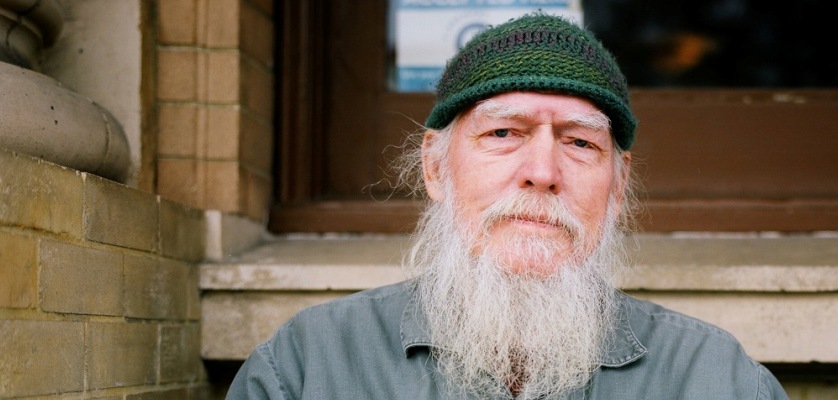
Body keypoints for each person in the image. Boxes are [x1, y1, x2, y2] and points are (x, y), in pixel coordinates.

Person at [227, 13, 788, 400]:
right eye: (503, 133)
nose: (542, 172)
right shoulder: (306, 369)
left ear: (617, 189)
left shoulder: (717, 380)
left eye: (580, 142)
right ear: (435, 168)